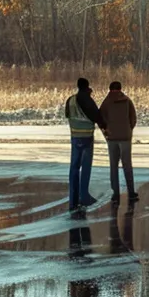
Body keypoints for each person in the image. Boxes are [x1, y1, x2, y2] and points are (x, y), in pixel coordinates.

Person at [62, 77, 103, 209]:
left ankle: (73, 199)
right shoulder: (86, 99)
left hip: (74, 136)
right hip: (86, 137)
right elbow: (97, 116)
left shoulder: (70, 100)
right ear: (87, 86)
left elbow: (67, 115)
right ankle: (84, 196)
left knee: (74, 168)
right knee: (85, 168)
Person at [98, 80, 140, 202]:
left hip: (112, 138)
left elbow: (100, 118)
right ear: (120, 89)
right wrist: (128, 129)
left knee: (113, 166)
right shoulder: (127, 101)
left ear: (110, 89)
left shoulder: (106, 102)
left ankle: (115, 194)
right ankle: (131, 192)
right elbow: (133, 118)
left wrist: (106, 131)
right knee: (127, 165)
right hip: (125, 137)